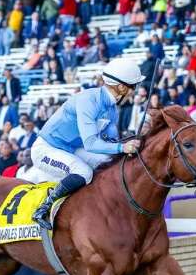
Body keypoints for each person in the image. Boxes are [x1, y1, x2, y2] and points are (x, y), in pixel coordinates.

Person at [31, 58, 144, 229]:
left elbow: (110, 141)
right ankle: (43, 208)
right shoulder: (88, 100)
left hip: (72, 148)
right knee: (84, 172)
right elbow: (91, 144)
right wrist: (122, 147)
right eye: (133, 86)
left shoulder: (112, 108)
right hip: (47, 148)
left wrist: (128, 142)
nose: (134, 91)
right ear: (121, 87)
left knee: (107, 161)